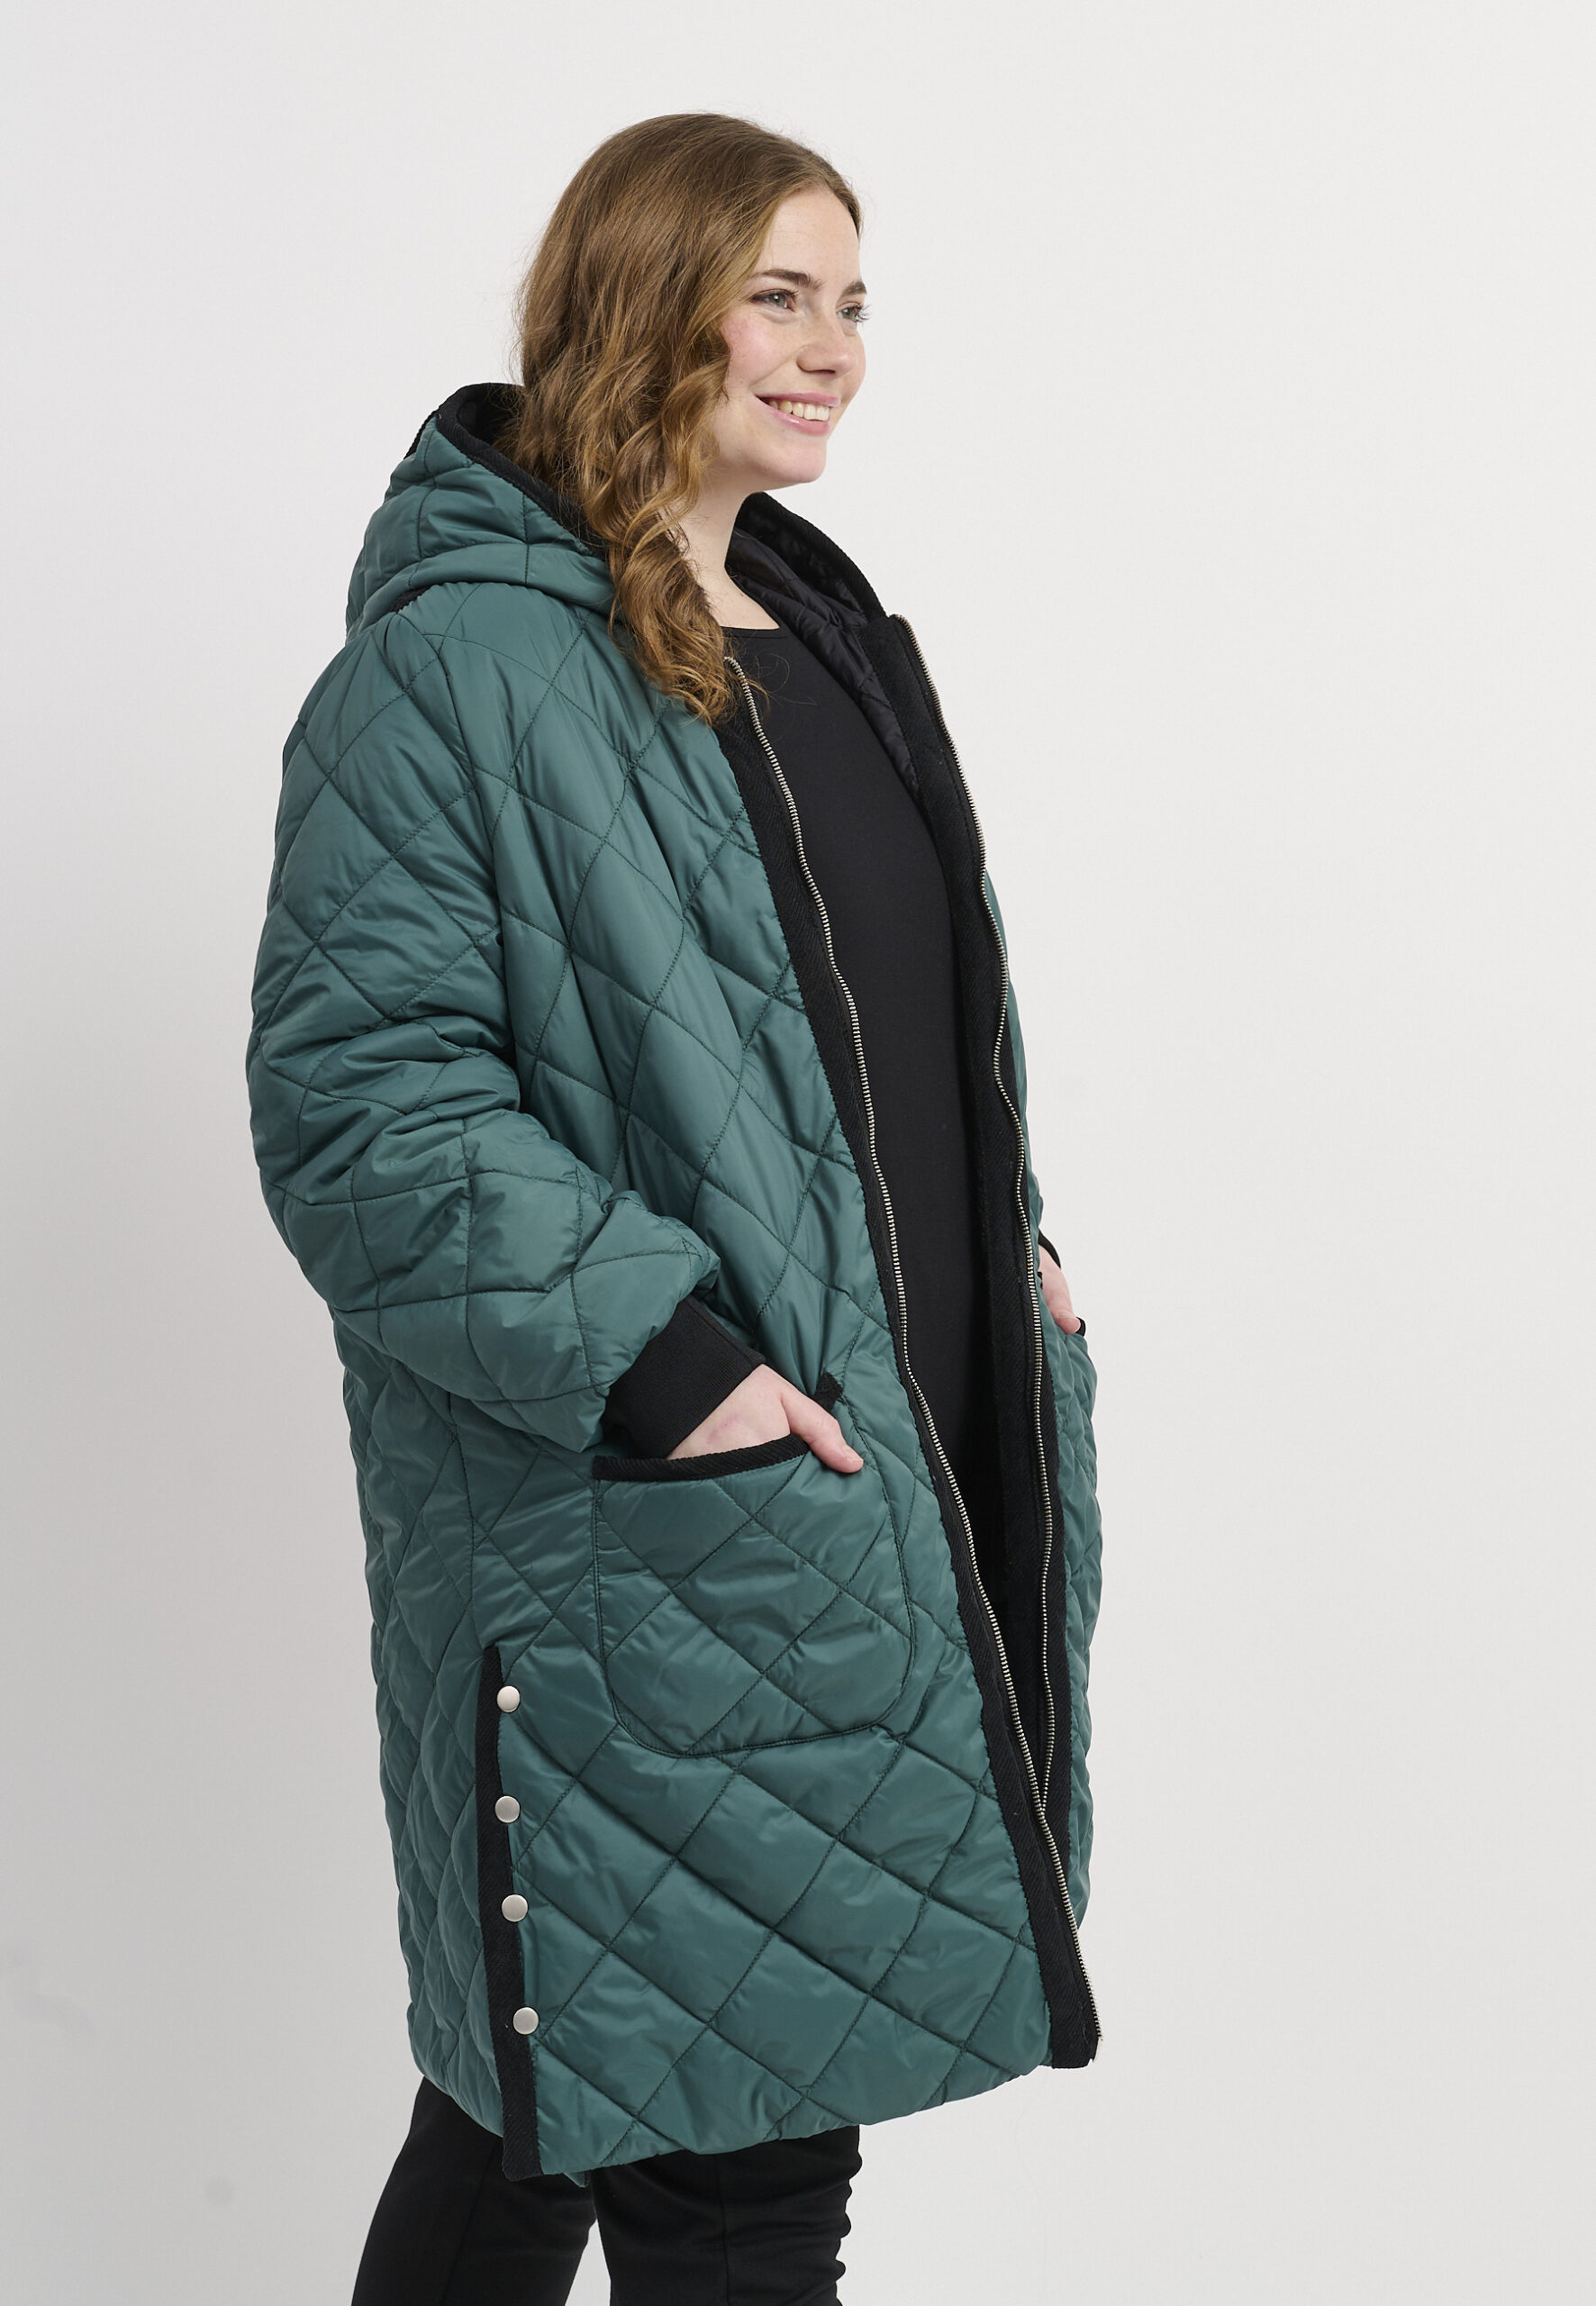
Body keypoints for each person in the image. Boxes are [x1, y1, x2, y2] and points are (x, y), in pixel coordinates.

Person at [248, 110, 1104, 2306]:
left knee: (544, 2106)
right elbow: (362, 1104)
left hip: (881, 1480)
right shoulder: (456, 667)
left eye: (853, 304)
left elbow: (873, 1036)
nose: (831, 351)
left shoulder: (825, 640)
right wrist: (669, 1360)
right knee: (733, 2165)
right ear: (645, 301)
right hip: (649, 1519)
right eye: (777, 296)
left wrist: (1009, 1250)